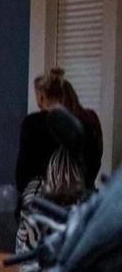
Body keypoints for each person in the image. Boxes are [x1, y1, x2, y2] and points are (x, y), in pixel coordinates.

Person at [14, 70, 89, 261]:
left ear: (41, 96)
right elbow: (89, 160)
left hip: (38, 194)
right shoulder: (79, 123)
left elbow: (23, 165)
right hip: (72, 196)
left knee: (31, 256)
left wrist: (23, 191)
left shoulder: (32, 123)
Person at [54, 70, 106, 189]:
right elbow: (98, 152)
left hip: (65, 191)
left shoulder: (61, 125)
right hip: (88, 184)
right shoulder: (90, 118)